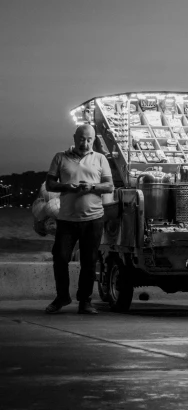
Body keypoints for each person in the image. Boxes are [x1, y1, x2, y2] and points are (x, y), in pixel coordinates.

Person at [44, 124, 114, 314]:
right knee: (60, 258)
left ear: (94, 140)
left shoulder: (100, 159)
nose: (85, 143)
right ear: (74, 138)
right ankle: (62, 297)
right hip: (67, 219)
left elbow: (109, 186)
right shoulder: (60, 157)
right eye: (82, 138)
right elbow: (50, 184)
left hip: (94, 219)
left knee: (89, 261)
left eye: (89, 139)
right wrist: (67, 187)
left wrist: (91, 187)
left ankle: (85, 301)